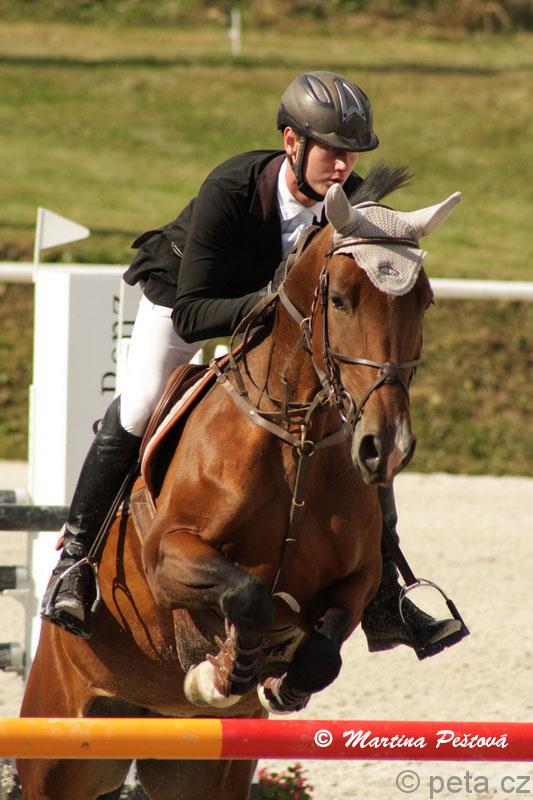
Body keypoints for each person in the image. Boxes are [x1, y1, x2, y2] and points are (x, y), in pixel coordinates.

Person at [41, 71, 465, 657]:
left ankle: (386, 595)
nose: (344, 166)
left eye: (352, 154)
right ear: (292, 142)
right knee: (140, 402)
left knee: (358, 424)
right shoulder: (232, 188)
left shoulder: (352, 204)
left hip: (280, 322)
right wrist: (271, 302)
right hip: (191, 298)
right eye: (332, 151)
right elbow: (193, 313)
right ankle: (76, 561)